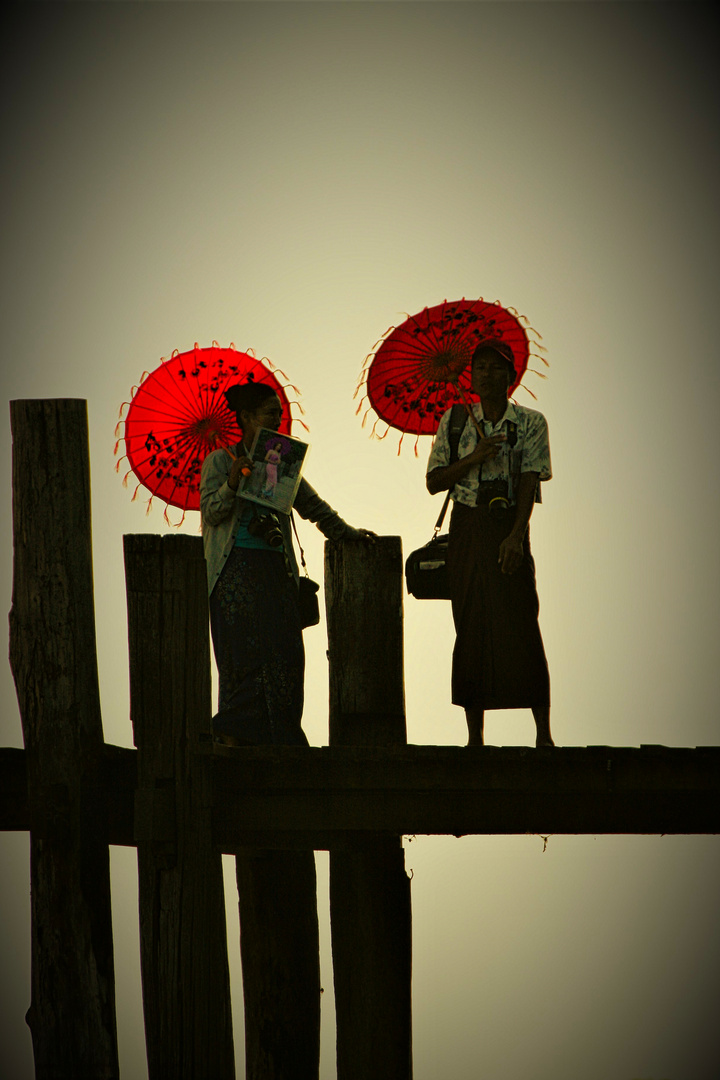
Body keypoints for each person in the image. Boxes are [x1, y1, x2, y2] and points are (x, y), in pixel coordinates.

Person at [200, 381, 371, 746]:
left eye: (279, 412)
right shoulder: (219, 461)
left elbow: (312, 506)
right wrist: (232, 482)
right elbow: (212, 513)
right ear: (246, 417)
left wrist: (345, 533)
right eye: (269, 412)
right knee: (242, 656)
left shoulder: (281, 457)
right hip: (234, 572)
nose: (278, 418)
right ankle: (233, 734)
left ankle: (282, 736)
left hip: (276, 569)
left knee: (285, 654)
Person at [426, 339, 554, 747]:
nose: (485, 374)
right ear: (472, 376)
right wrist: (474, 458)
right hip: (467, 527)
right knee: (470, 623)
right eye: (479, 367)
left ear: (510, 376)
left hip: (508, 524)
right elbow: (434, 481)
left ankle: (543, 734)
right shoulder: (456, 419)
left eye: (495, 368)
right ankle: (475, 738)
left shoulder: (531, 422)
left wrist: (517, 535)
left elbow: (530, 480)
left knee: (522, 619)